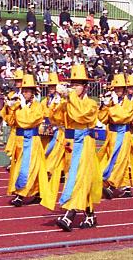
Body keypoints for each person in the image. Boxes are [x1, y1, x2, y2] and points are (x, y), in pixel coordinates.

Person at [42, 64, 101, 231]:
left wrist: (70, 97)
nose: (74, 87)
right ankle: (90, 215)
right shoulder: (69, 102)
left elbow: (81, 115)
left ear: (85, 87)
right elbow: (55, 119)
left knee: (78, 178)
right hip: (69, 144)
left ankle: (70, 214)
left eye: (78, 84)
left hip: (84, 143)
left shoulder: (91, 103)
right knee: (76, 178)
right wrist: (58, 102)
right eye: (72, 84)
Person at [3, 72, 48, 207]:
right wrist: (9, 107)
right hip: (19, 140)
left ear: (33, 93)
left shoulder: (37, 106)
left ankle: (20, 194)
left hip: (31, 140)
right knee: (23, 167)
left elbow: (27, 121)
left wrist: (21, 107)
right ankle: (37, 191)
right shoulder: (19, 104)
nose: (24, 93)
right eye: (23, 91)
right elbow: (11, 122)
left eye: (27, 91)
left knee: (27, 167)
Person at [99, 74, 133, 199]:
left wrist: (113, 106)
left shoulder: (130, 104)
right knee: (110, 159)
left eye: (120, 89)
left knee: (120, 160)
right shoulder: (111, 103)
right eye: (116, 89)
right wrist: (104, 106)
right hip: (111, 135)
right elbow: (102, 119)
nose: (118, 91)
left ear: (124, 90)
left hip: (123, 134)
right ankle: (125, 186)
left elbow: (122, 117)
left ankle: (111, 185)